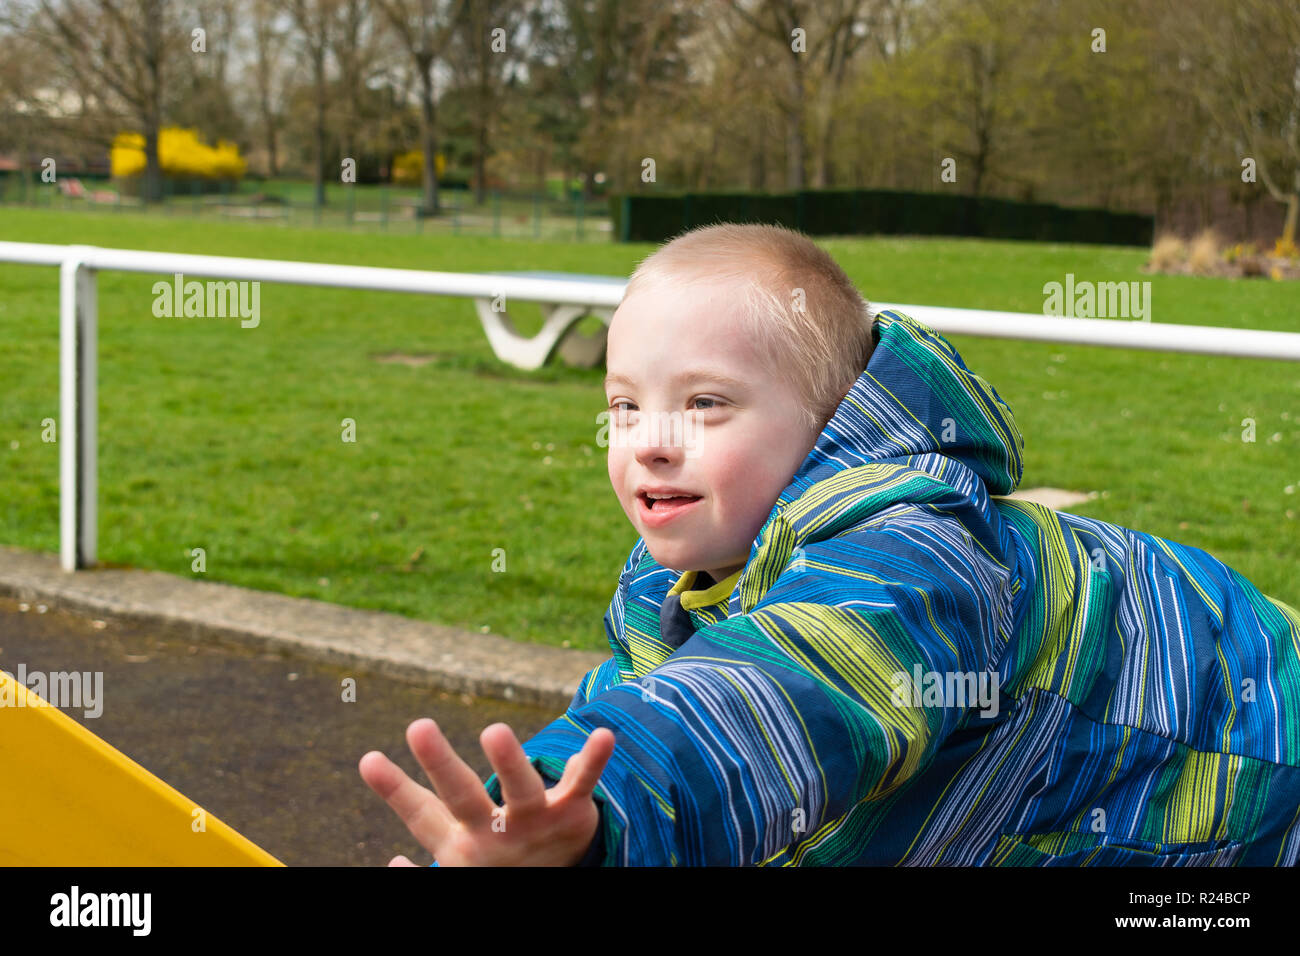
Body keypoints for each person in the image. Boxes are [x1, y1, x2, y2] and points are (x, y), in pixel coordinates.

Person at [359, 222, 1300, 866]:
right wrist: (552, 807)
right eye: (624, 404)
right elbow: (652, 711)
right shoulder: (672, 580)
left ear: (826, 425)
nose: (649, 437)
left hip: (1251, 779)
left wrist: (611, 816)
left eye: (705, 402)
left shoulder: (913, 556)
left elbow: (781, 696)